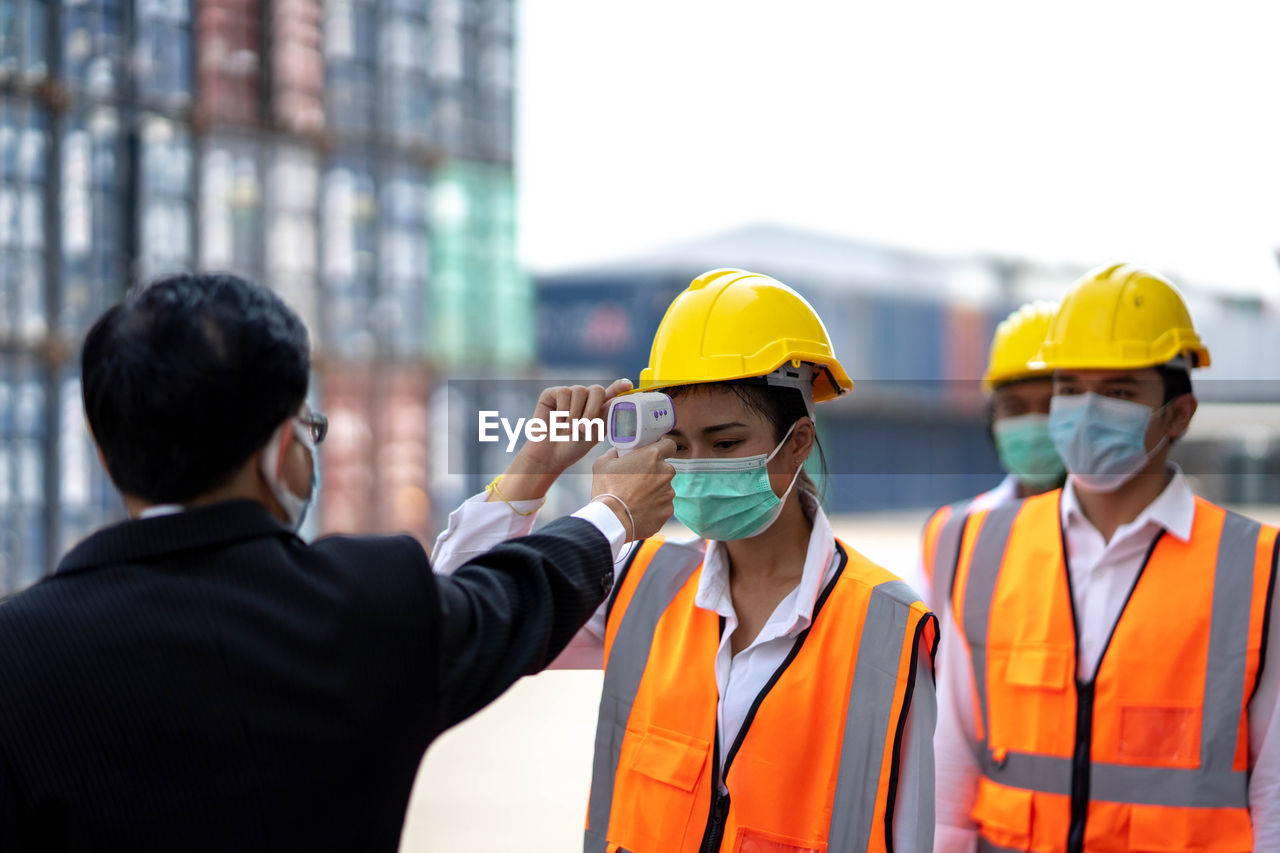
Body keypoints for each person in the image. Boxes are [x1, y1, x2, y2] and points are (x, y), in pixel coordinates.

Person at [0, 272, 677, 851]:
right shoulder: (362, 610)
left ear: (104, 454)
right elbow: (509, 597)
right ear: (276, 454)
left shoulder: (17, 649)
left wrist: (531, 470)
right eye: (308, 428)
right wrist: (614, 513)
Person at [434, 268, 938, 852]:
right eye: (679, 445)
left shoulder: (890, 631)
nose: (696, 464)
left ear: (797, 442)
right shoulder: (637, 585)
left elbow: (918, 828)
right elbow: (451, 622)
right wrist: (536, 468)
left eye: (725, 444)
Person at [933, 263, 1280, 852]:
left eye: (1119, 391)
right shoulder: (980, 545)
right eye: (1071, 389)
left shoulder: (1257, 568)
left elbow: (1272, 795)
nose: (1086, 410)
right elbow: (951, 770)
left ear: (1179, 413)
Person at [919, 301, 1065, 611]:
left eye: (1050, 406)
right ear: (992, 420)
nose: (1034, 423)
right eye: (1016, 407)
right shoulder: (952, 535)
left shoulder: (1118, 532)